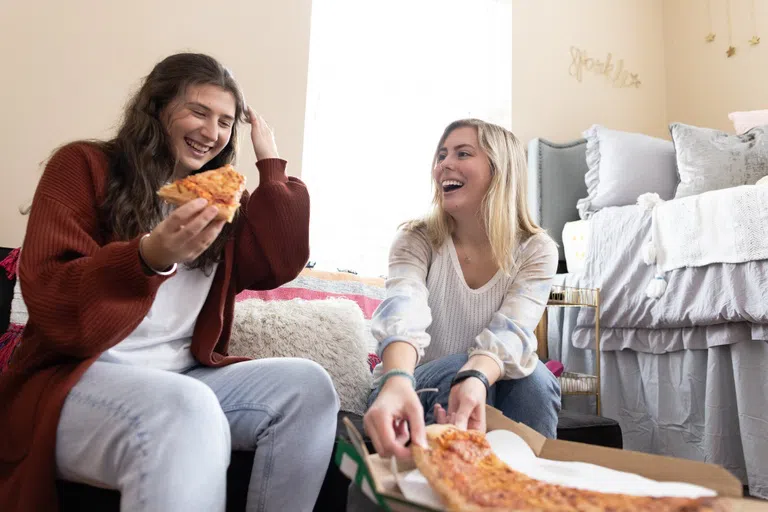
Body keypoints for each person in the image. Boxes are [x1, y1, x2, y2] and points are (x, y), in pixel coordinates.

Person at [0, 53, 339, 512]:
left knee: (309, 386)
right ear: (157, 108)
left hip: (183, 372)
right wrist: (148, 258)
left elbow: (276, 265)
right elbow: (55, 302)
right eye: (198, 112)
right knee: (187, 406)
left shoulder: (216, 194)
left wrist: (271, 163)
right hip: (75, 379)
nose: (212, 131)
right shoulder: (82, 166)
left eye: (224, 121)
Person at [365, 118, 561, 459]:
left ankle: (522, 489)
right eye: (442, 155)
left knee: (537, 382)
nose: (444, 165)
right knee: (459, 367)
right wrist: (397, 378)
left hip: (482, 380)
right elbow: (404, 310)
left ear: (499, 171)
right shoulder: (416, 239)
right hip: (408, 385)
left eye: (463, 153)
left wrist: (475, 376)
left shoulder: (536, 249)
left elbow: (511, 332)